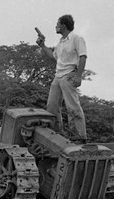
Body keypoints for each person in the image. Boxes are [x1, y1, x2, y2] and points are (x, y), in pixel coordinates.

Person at [36, 14, 87, 143]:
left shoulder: (77, 38)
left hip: (70, 74)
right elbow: (53, 57)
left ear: (63, 25)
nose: (56, 26)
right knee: (51, 106)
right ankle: (57, 136)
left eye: (57, 24)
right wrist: (42, 45)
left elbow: (83, 56)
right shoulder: (60, 43)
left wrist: (78, 76)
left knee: (72, 106)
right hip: (57, 76)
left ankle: (79, 137)